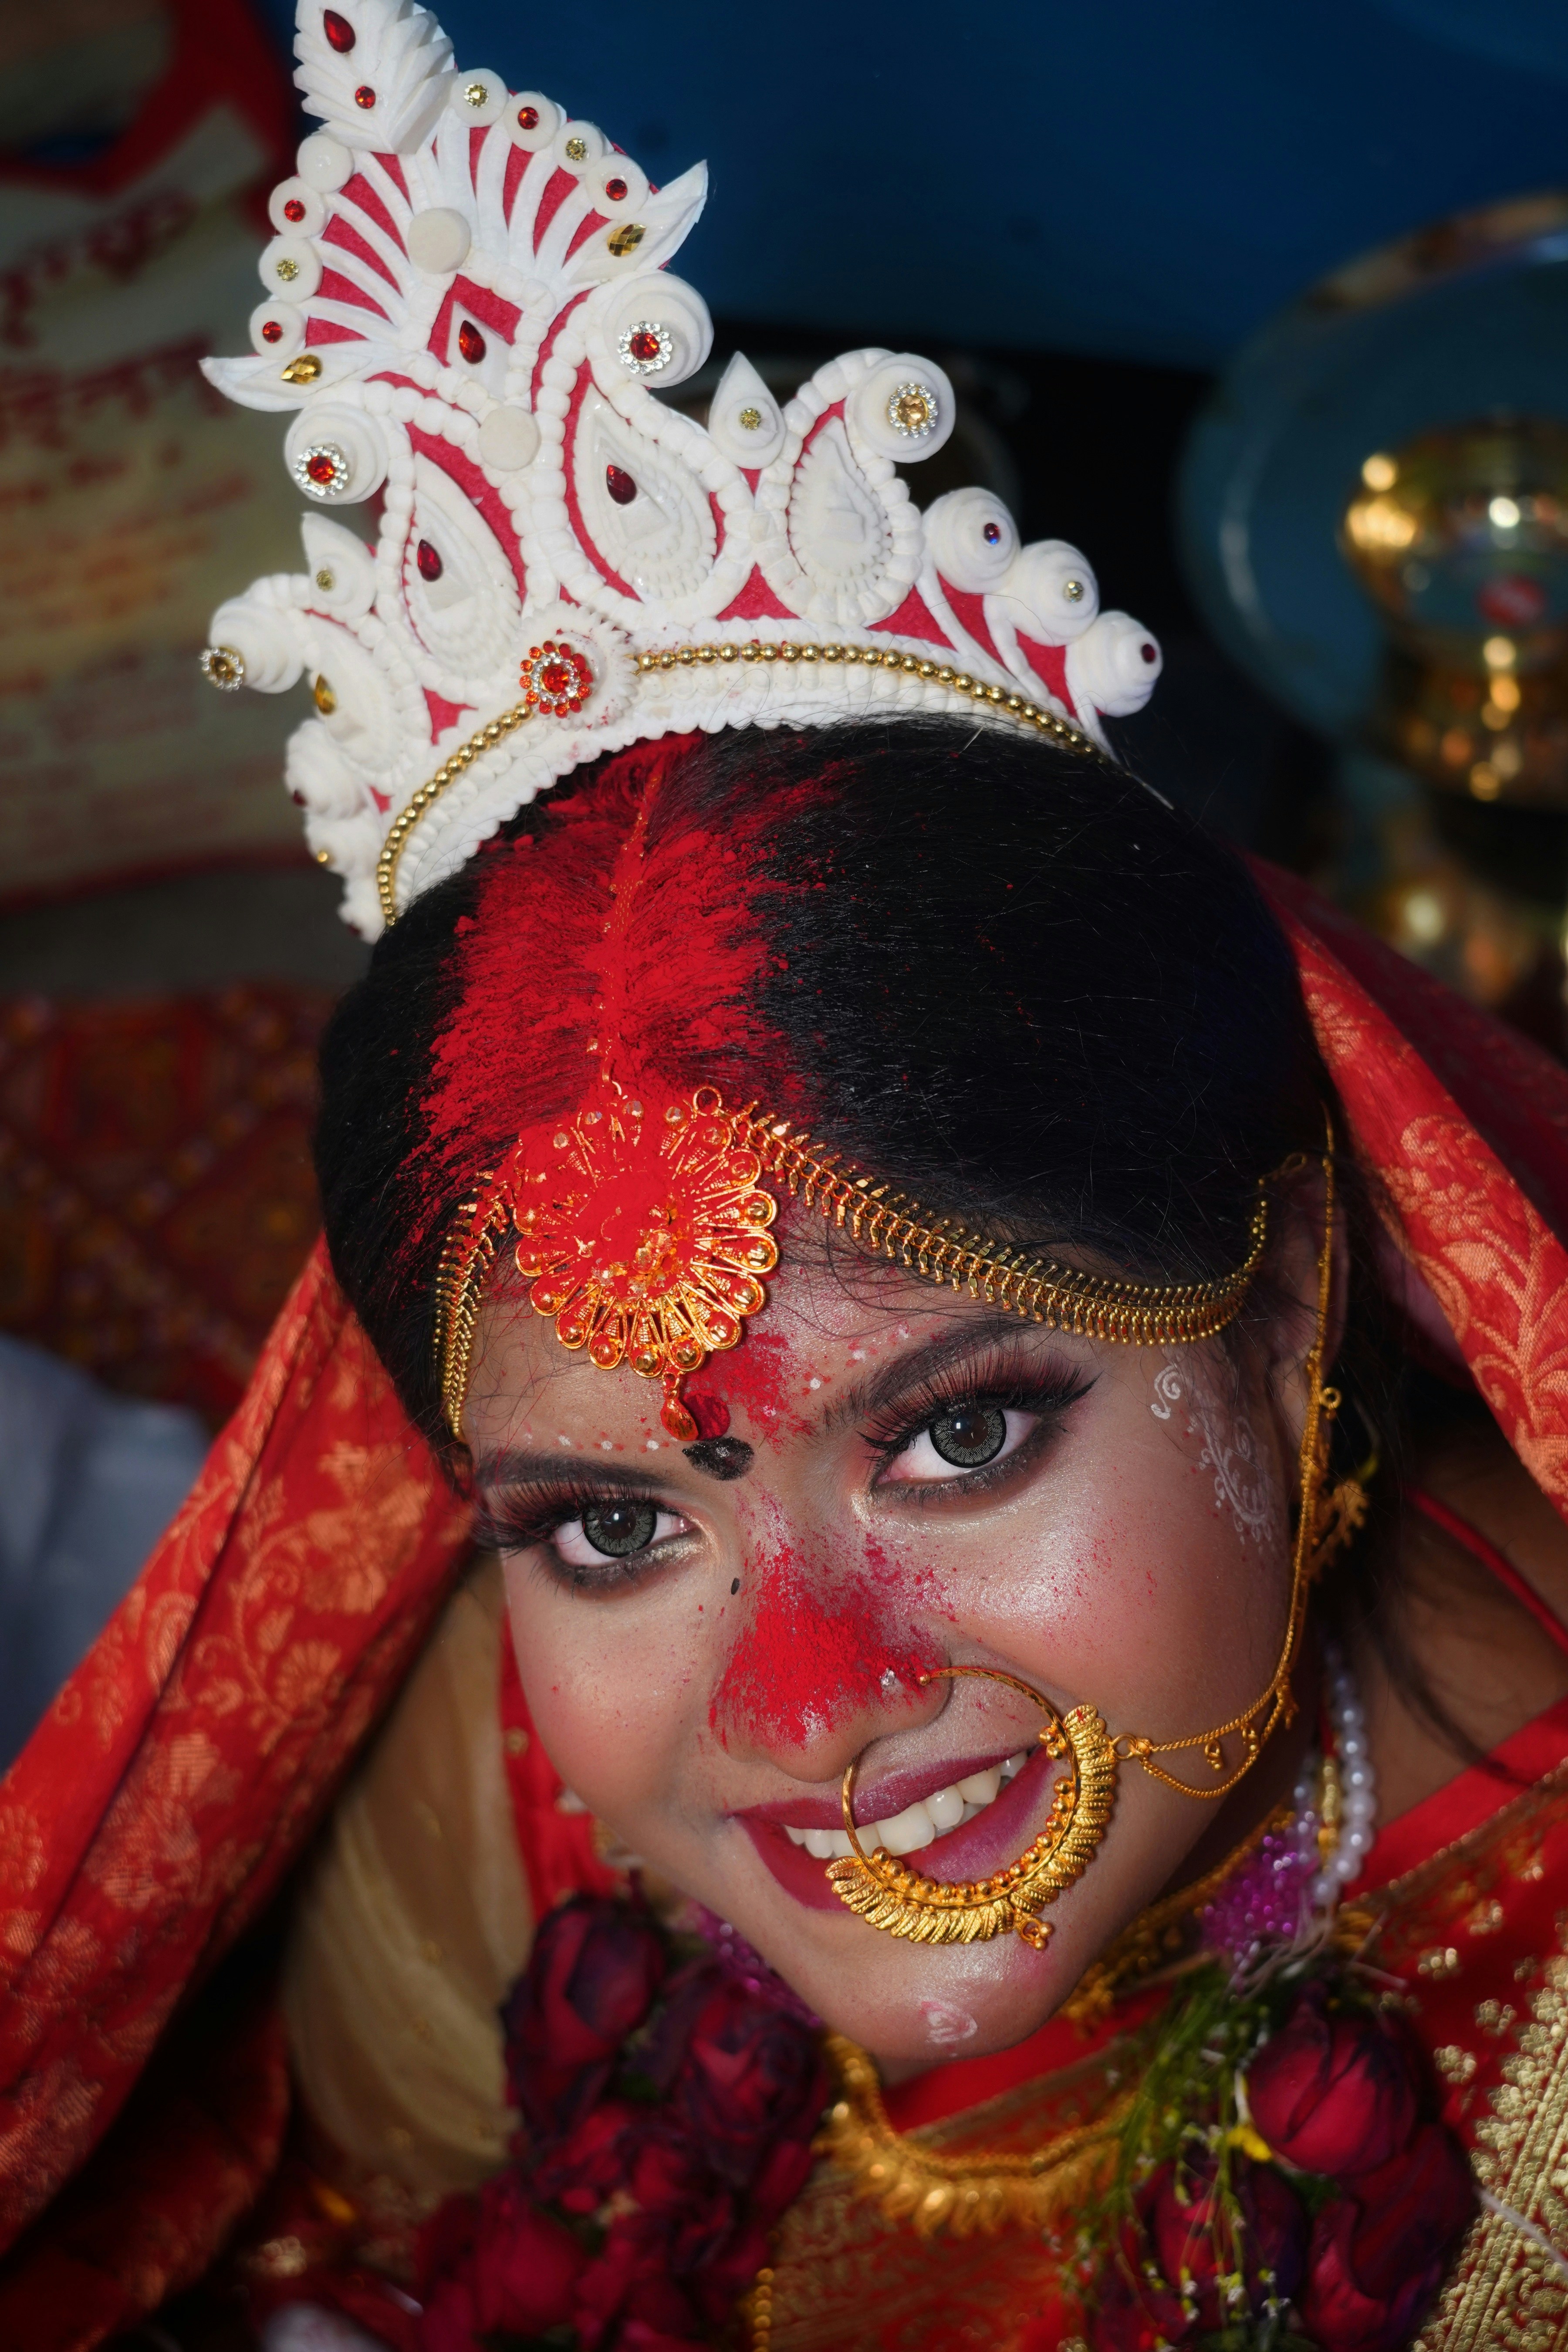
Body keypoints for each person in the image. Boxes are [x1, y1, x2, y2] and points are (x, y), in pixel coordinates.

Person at [2, 6, 1567, 2349]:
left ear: (1288, 1297)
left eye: (957, 1427)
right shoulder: (492, 1799)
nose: (808, 1699)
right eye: (620, 1524)